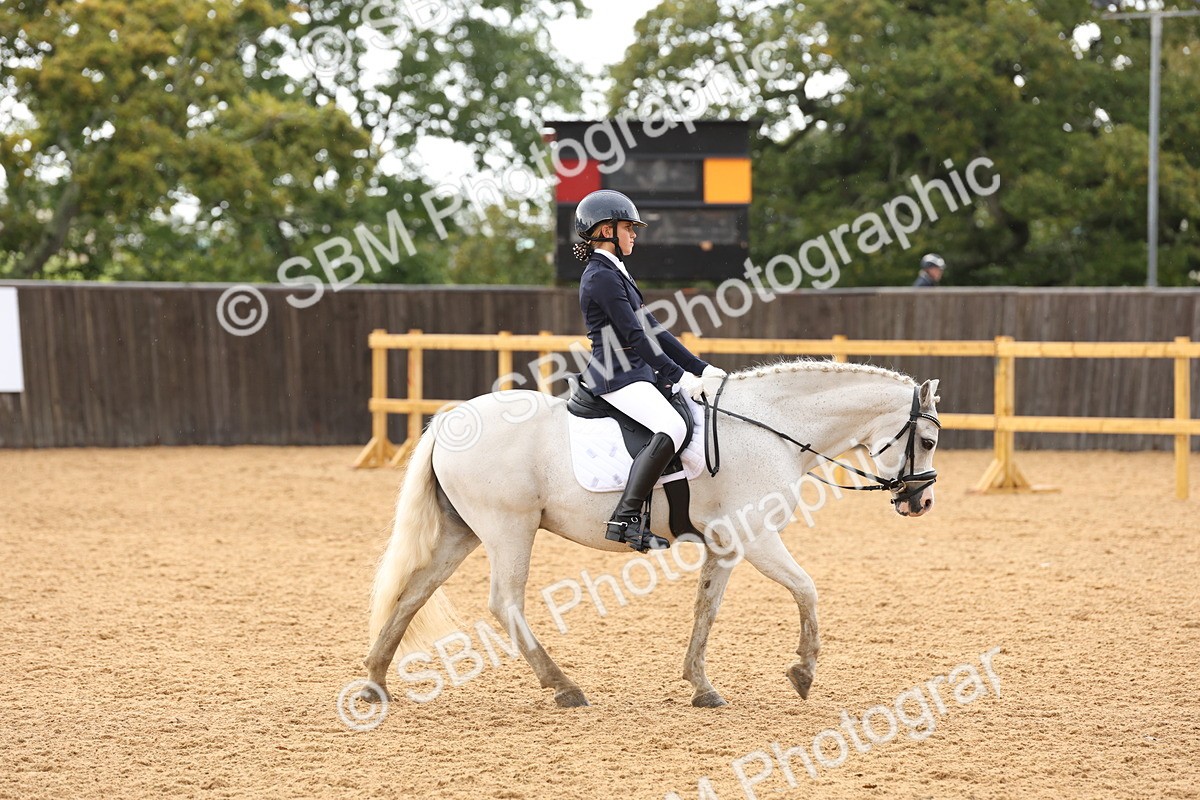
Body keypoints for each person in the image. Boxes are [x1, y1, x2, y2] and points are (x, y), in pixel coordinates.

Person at [574, 189, 726, 552]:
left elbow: (657, 331)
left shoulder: (617, 273)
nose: (634, 234)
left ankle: (679, 520)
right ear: (606, 230)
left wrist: (701, 367)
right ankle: (624, 518)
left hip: (635, 370)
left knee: (682, 417)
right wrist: (680, 377)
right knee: (671, 425)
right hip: (615, 375)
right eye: (629, 227)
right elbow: (635, 336)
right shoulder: (601, 277)